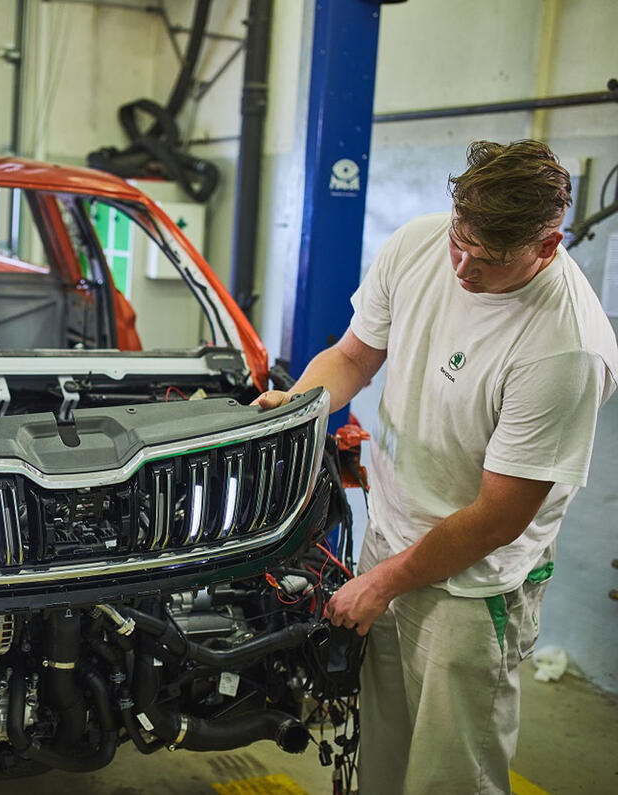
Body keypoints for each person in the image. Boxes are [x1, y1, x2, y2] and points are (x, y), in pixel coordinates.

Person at [255, 140, 617, 794]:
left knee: (452, 775)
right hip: (390, 541)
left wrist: (385, 581)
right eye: (461, 240)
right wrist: (299, 406)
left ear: (547, 245)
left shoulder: (566, 349)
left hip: (474, 588)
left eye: (489, 259)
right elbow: (354, 356)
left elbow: (496, 519)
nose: (463, 269)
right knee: (383, 752)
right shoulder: (419, 246)